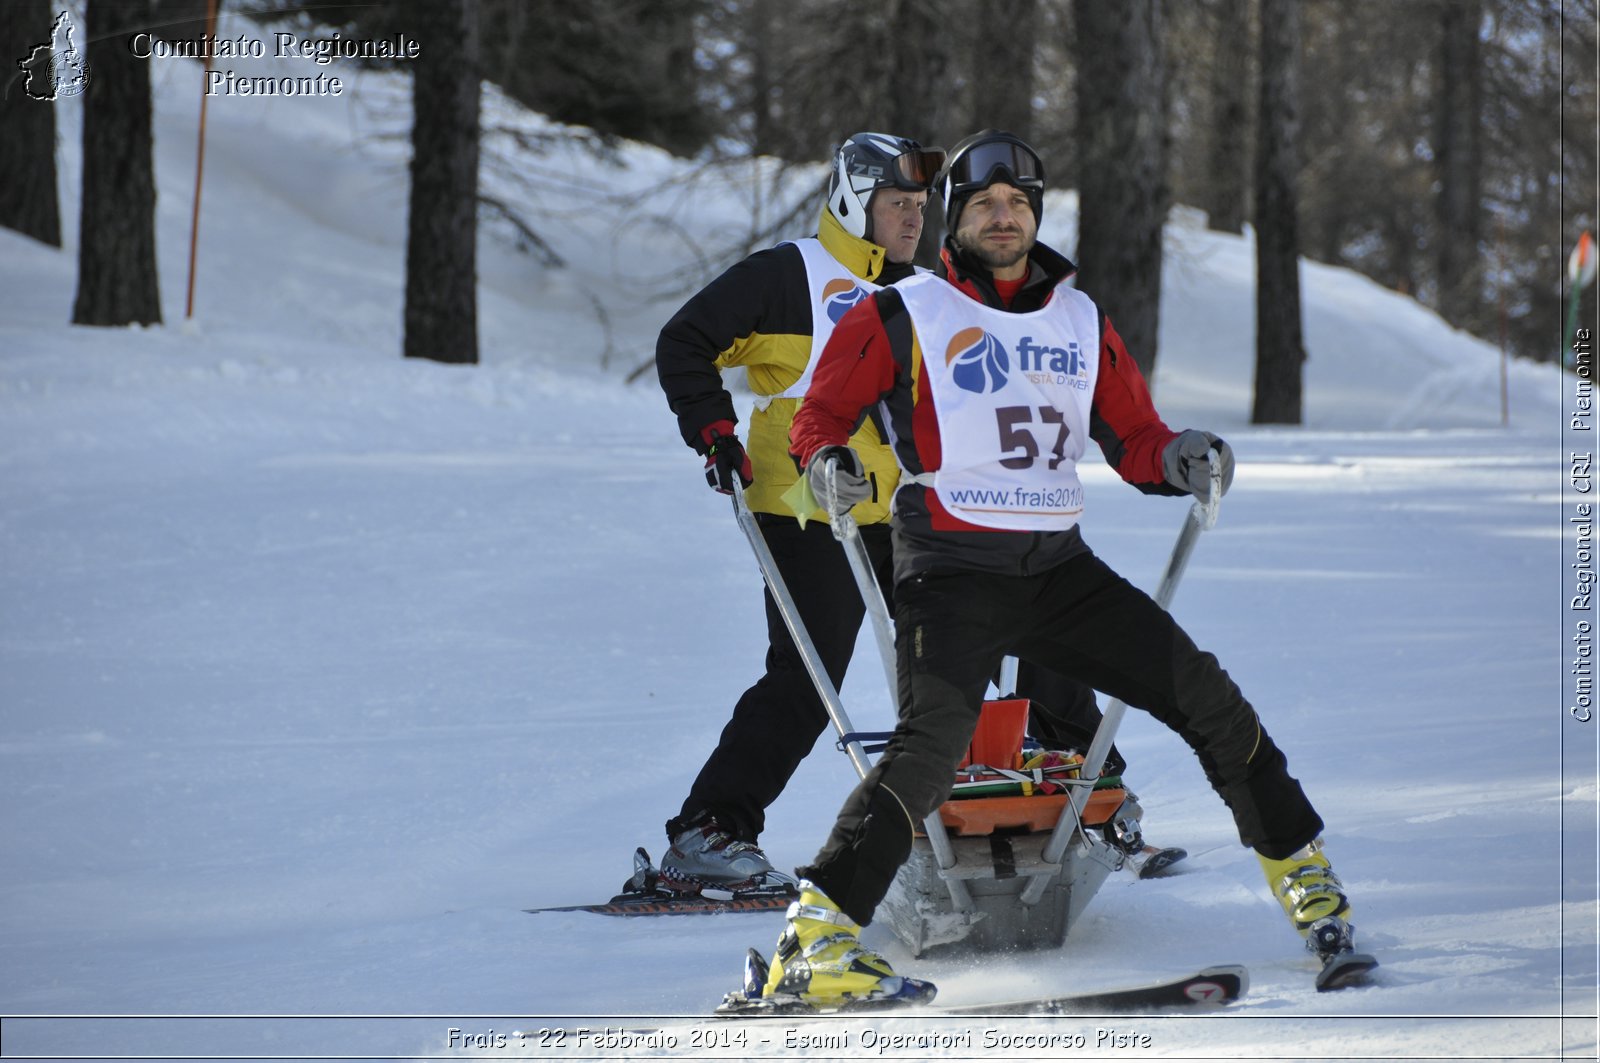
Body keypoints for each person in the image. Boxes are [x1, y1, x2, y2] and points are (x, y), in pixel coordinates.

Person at [761, 130, 1359, 1008]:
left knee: (1207, 698)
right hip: (949, 566)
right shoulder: (905, 311)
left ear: (1034, 213)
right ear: (954, 223)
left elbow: (1135, 438)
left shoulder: (1080, 319)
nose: (1004, 218)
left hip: (1058, 569)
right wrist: (827, 466)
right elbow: (819, 416)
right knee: (928, 752)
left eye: (1018, 204)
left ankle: (1311, 888)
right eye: (983, 206)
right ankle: (812, 943)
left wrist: (1182, 454)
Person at [651, 132, 945, 892]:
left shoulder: (922, 290)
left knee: (966, 647)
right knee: (811, 673)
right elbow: (686, 339)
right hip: (803, 505)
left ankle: (1027, 809)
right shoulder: (794, 277)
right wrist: (714, 429)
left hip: (898, 507)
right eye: (896, 204)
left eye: (919, 206)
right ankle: (708, 829)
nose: (913, 219)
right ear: (855, 202)